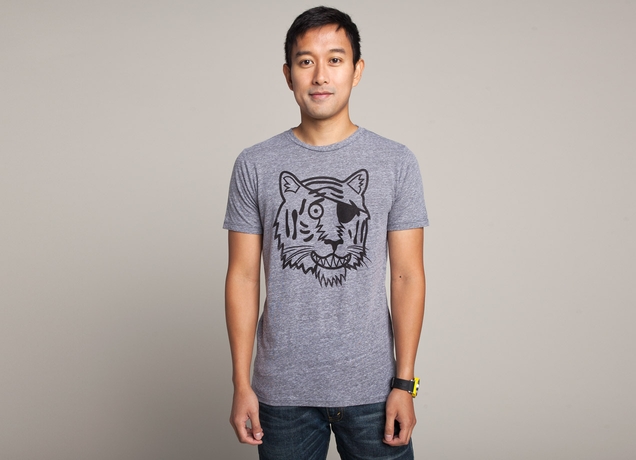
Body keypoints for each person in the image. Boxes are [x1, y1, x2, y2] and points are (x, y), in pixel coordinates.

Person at [223, 6, 428, 459]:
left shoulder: (395, 162)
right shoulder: (255, 164)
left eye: (335, 59)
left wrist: (405, 384)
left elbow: (407, 275)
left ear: (357, 70)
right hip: (281, 393)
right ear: (288, 74)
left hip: (374, 389)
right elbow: (243, 276)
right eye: (305, 61)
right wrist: (241, 383)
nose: (320, 75)